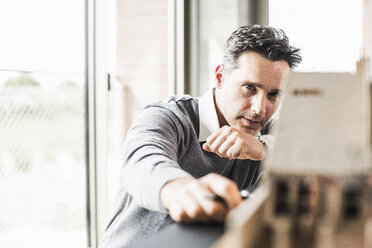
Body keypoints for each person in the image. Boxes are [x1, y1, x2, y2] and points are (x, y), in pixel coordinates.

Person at [99, 25, 301, 248]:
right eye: (250, 87)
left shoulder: (266, 132)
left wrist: (264, 147)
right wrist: (179, 188)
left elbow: (306, 152)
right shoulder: (169, 116)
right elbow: (140, 162)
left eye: (273, 95)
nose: (260, 108)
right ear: (220, 77)